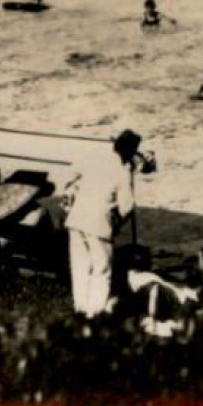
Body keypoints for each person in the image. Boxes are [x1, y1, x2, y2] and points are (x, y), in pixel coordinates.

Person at [63, 129, 142, 317]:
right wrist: (117, 223)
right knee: (101, 269)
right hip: (99, 223)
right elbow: (127, 206)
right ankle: (95, 313)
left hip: (76, 218)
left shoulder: (95, 159)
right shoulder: (122, 171)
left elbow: (73, 176)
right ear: (130, 151)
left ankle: (80, 309)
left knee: (80, 267)